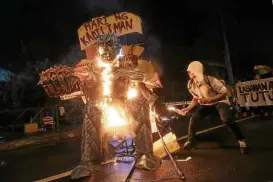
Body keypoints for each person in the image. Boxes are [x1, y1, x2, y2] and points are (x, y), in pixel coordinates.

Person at [174, 61, 248, 154]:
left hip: (220, 102)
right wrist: (188, 109)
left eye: (190, 71)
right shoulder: (190, 84)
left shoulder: (210, 80)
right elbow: (195, 98)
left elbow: (224, 92)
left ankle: (242, 140)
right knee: (193, 119)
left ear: (196, 71)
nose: (188, 73)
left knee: (226, 119)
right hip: (206, 105)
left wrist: (210, 100)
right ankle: (191, 142)